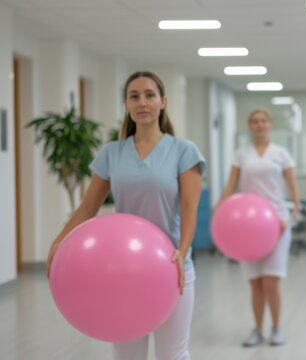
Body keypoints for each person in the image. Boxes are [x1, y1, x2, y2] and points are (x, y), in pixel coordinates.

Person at [46, 71, 206, 360]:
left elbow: (189, 207)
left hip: (172, 269)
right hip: (123, 271)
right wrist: (59, 241)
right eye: (134, 96)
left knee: (173, 355)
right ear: (126, 104)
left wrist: (182, 251)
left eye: (149, 95)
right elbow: (88, 206)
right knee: (127, 356)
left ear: (163, 102)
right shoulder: (113, 153)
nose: (142, 102)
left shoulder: (184, 150)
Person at [217, 108, 301, 347]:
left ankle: (276, 328)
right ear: (249, 125)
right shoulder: (241, 154)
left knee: (271, 281)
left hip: (277, 223)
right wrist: (218, 212)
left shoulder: (281, 153)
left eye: (263, 120)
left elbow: (294, 191)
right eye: (254, 121)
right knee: (255, 282)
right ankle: (257, 329)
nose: (259, 124)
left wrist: (292, 215)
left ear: (270, 124)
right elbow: (230, 186)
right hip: (247, 227)